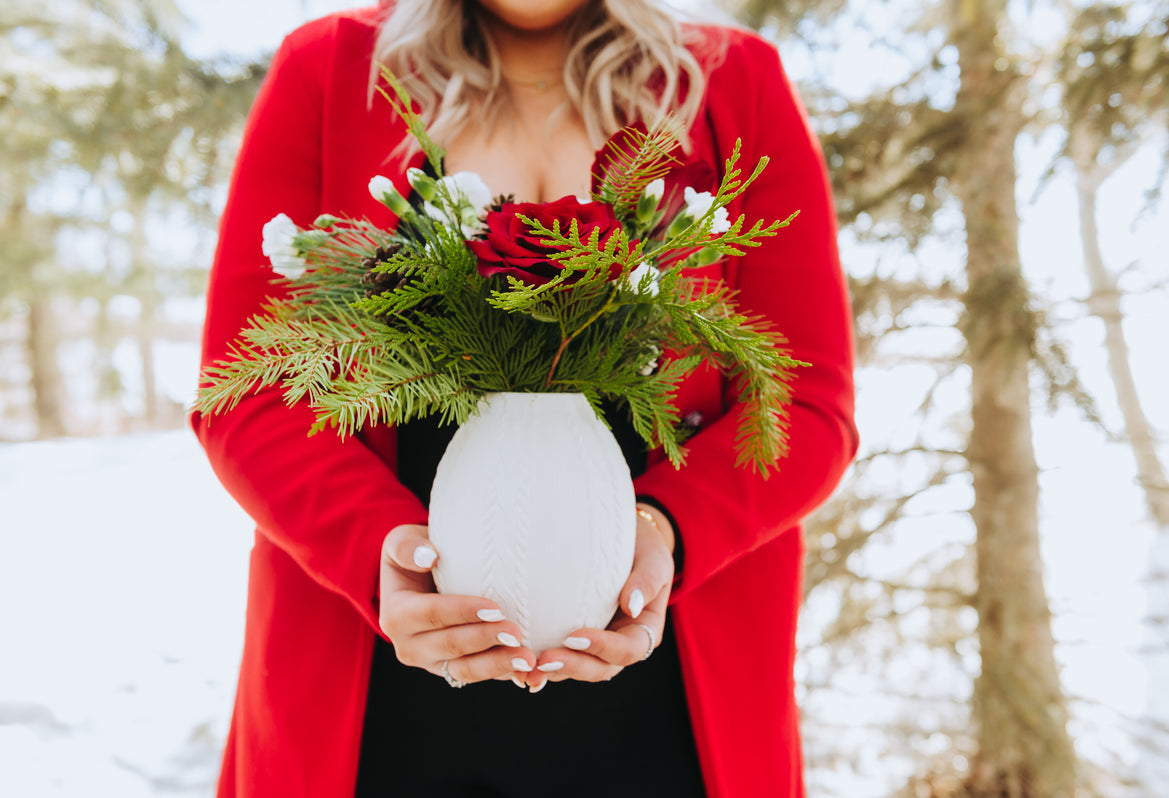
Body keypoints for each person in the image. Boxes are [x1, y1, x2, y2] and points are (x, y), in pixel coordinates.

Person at [192, 1, 857, 796]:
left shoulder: (731, 84)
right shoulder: (331, 72)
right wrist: (381, 553)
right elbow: (247, 387)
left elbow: (807, 404)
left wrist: (664, 532)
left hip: (667, 689)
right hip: (380, 685)